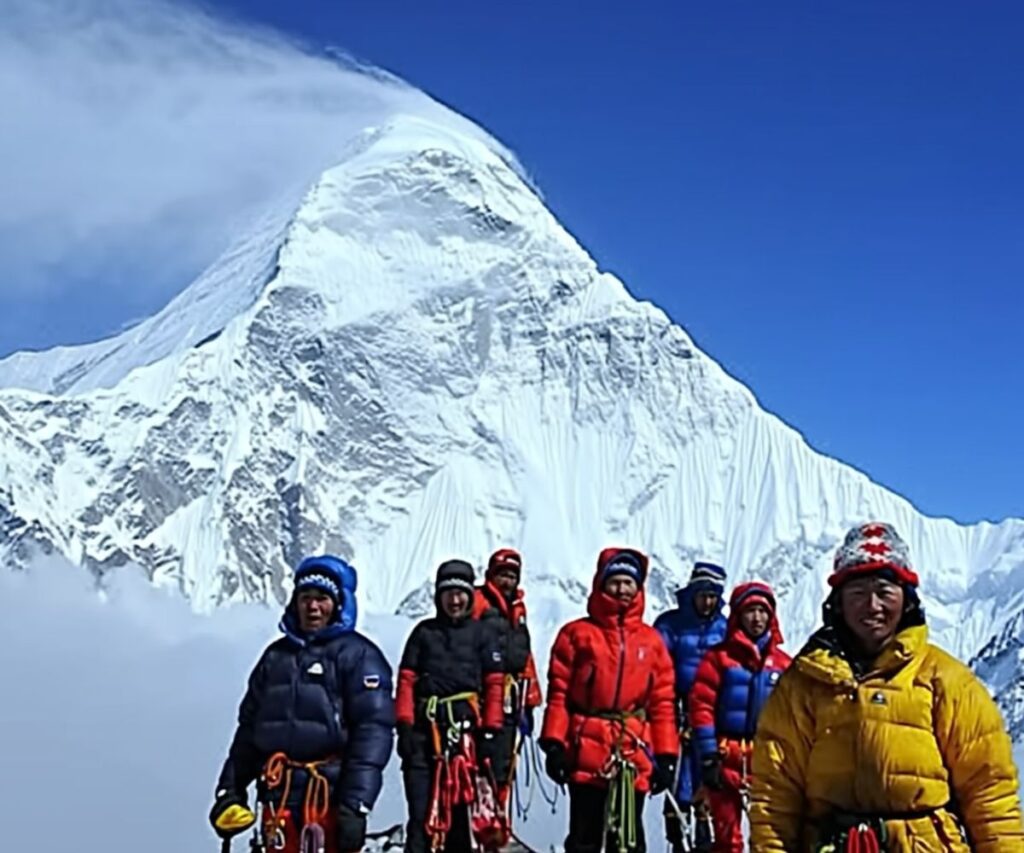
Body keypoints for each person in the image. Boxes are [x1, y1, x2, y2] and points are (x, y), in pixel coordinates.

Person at [750, 522, 1024, 852]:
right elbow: (774, 794)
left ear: (906, 600)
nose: (873, 606)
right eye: (858, 593)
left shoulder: (947, 681)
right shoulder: (804, 683)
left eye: (884, 591)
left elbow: (989, 793)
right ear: (837, 603)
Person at [208, 555, 395, 853]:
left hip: (330, 795)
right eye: (305, 598)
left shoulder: (359, 657)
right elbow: (249, 731)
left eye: (322, 598)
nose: (313, 607)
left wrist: (356, 804)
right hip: (278, 793)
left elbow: (373, 733)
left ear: (338, 604)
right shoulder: (274, 657)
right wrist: (230, 790)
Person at [540, 547, 679, 853]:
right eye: (615, 581)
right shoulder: (576, 635)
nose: (622, 589)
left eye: (629, 582)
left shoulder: (651, 642)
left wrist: (666, 755)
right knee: (584, 838)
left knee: (628, 840)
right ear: (600, 584)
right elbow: (559, 694)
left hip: (633, 749)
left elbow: (662, 704)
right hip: (585, 747)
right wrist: (554, 743)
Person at [395, 559, 507, 853]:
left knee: (461, 820)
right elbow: (406, 680)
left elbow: (495, 684)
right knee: (421, 818)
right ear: (438, 597)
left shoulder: (483, 635)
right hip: (424, 736)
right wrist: (404, 725)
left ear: (470, 595)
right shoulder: (423, 633)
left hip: (467, 741)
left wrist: (492, 731)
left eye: (461, 593)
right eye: (448, 593)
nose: (455, 600)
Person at [688, 581, 790, 852]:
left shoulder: (783, 665)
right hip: (725, 756)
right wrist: (708, 754)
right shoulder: (718, 659)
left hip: (767, 760)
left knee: (768, 837)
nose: (757, 618)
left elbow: (793, 718)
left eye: (763, 611)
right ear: (737, 616)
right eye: (750, 611)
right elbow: (701, 706)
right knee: (727, 838)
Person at [653, 562, 729, 851]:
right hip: (678, 712)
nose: (707, 601)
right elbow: (657, 666)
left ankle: (704, 835)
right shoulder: (670, 625)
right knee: (677, 779)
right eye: (702, 594)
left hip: (713, 715)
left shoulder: (725, 628)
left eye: (712, 596)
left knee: (708, 777)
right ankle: (677, 837)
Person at [471, 549, 544, 828]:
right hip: (482, 695)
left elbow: (524, 656)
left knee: (504, 764)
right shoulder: (479, 602)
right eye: (503, 574)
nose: (507, 581)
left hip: (512, 697)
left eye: (512, 575)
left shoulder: (518, 609)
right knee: (482, 761)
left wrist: (531, 699)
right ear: (491, 574)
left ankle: (498, 822)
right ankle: (479, 823)